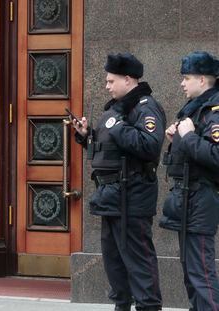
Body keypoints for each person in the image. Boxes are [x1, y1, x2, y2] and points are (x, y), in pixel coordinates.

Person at [71, 53, 165, 311]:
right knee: (114, 261)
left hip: (132, 196)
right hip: (111, 196)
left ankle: (148, 307)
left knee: (138, 260)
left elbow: (150, 146)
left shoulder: (145, 107)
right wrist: (86, 135)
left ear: (128, 79)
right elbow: (108, 148)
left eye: (111, 80)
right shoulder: (116, 109)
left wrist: (117, 127)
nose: (107, 85)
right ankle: (121, 305)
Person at [160, 51, 219, 310]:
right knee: (191, 274)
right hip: (187, 198)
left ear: (203, 80)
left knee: (202, 274)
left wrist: (189, 136)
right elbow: (190, 157)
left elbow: (216, 156)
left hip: (202, 199)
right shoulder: (195, 110)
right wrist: (178, 141)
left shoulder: (213, 112)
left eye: (186, 78)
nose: (182, 84)